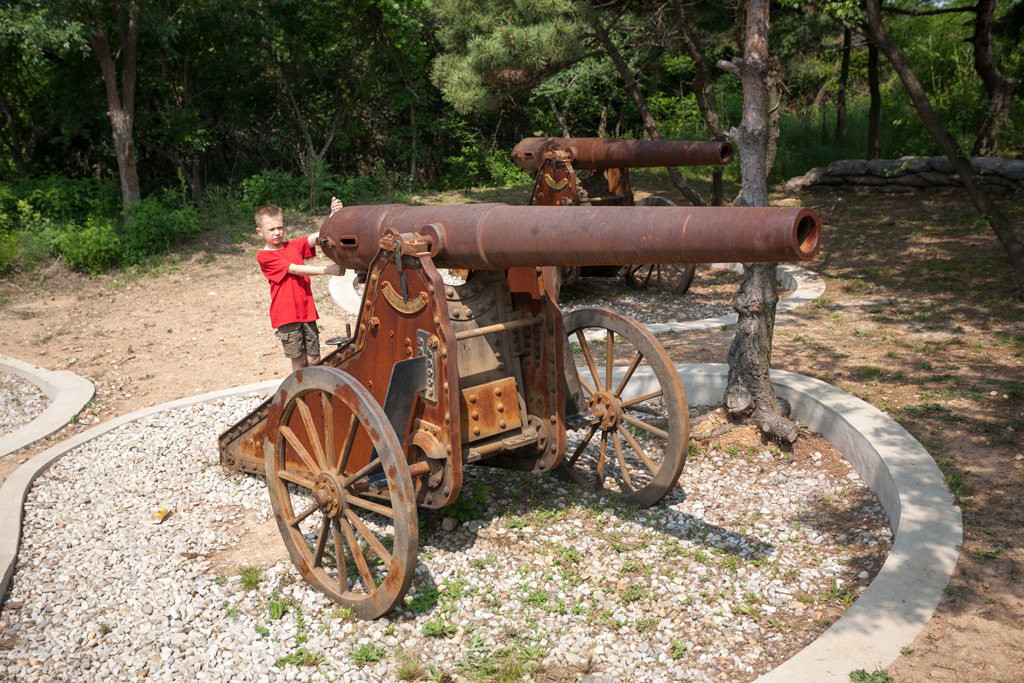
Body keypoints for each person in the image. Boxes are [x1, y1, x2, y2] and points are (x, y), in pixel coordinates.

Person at [255, 197, 346, 372]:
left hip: (306, 311)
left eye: (280, 227)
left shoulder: (292, 246)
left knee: (314, 359)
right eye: (271, 229)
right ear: (260, 232)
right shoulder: (264, 256)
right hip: (287, 315)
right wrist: (328, 270)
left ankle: (314, 394)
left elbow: (318, 237)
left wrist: (333, 216)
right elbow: (295, 269)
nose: (277, 232)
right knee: (299, 361)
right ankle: (301, 396)